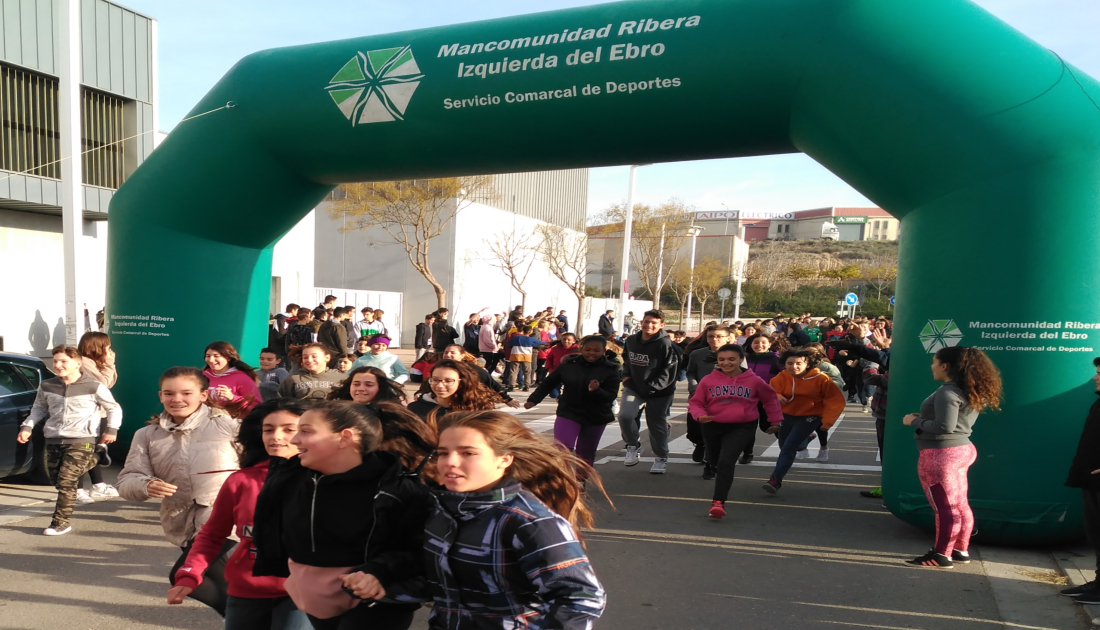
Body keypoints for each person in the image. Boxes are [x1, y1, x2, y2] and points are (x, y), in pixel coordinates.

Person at [410, 410, 605, 628]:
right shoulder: (441, 509)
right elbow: (443, 585)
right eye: (443, 453)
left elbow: (582, 599)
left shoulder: (530, 522)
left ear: (504, 460)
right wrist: (383, 586)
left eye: (468, 453)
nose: (450, 462)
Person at [252, 401, 431, 630]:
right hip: (313, 600)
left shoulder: (396, 490)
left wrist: (380, 572)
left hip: (375, 602)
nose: (294, 440)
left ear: (345, 438)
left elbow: (423, 550)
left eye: (306, 431)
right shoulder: (289, 477)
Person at [167, 399, 312, 630]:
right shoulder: (240, 481)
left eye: (289, 429)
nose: (276, 437)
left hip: (305, 594)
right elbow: (212, 535)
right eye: (268, 429)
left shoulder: (327, 482)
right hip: (244, 593)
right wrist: (189, 574)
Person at [118, 366, 239, 614]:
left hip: (225, 521)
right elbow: (127, 479)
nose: (177, 399)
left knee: (184, 576)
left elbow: (259, 466)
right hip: (181, 522)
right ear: (160, 396)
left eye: (186, 393)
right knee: (227, 587)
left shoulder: (229, 427)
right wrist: (146, 485)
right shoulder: (147, 435)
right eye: (169, 393)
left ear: (203, 395)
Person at [903, 346, 1002, 568]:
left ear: (945, 366)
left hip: (940, 455)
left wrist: (913, 421)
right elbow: (952, 421)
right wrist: (924, 418)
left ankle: (940, 554)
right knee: (959, 503)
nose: (932, 366)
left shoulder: (947, 392)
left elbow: (944, 427)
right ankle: (960, 549)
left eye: (934, 362)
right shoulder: (968, 389)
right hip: (961, 450)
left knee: (945, 507)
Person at [17, 345, 121, 536]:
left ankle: (60, 523)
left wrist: (112, 429)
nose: (58, 365)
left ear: (78, 363)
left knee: (67, 482)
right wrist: (27, 426)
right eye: (55, 361)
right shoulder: (47, 386)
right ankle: (98, 455)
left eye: (64, 361)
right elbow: (39, 408)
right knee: (56, 480)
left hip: (82, 439)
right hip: (53, 439)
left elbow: (113, 408)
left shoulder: (94, 386)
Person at [689, 344, 784, 519]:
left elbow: (770, 399)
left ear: (741, 359)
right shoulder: (708, 380)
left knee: (726, 462)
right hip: (712, 425)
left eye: (731, 359)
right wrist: (699, 415)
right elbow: (695, 402)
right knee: (714, 460)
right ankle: (718, 470)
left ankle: (718, 502)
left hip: (742, 426)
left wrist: (776, 420)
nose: (726, 363)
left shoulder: (754, 380)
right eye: (722, 359)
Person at [524, 335, 621, 471]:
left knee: (586, 452)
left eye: (596, 350)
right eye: (587, 350)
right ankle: (562, 478)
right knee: (562, 447)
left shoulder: (611, 369)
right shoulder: (568, 365)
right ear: (581, 349)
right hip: (569, 411)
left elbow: (611, 396)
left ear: (604, 350)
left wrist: (597, 390)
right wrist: (533, 400)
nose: (591, 353)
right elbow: (548, 383)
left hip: (596, 415)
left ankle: (581, 479)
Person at [763, 349, 846, 495]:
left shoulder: (822, 379)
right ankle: (807, 439)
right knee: (784, 446)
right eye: (790, 363)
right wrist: (778, 395)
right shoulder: (782, 376)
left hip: (810, 416)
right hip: (786, 415)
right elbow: (771, 390)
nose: (793, 367)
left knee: (788, 447)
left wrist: (827, 422)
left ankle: (775, 480)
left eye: (798, 363)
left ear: (807, 364)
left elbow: (834, 401)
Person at [618, 310, 679, 474]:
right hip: (634, 387)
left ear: (661, 325)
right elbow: (626, 360)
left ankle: (661, 456)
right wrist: (626, 376)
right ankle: (633, 445)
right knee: (625, 416)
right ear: (641, 322)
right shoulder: (631, 340)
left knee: (655, 425)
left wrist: (652, 387)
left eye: (654, 323)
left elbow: (669, 371)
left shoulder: (665, 344)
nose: (649, 325)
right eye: (646, 321)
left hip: (660, 391)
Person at [1063, 357, 1100, 602]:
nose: (1095, 377)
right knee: (1095, 532)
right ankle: (1098, 582)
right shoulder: (1098, 403)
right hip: (1091, 479)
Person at [75, 331, 120, 503]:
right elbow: (104, 385)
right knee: (84, 450)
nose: (110, 350)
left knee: (92, 450)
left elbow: (109, 382)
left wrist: (108, 365)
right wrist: (109, 364)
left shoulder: (93, 363)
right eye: (107, 346)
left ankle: (98, 485)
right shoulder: (84, 363)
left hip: (96, 414)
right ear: (97, 347)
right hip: (85, 416)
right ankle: (77, 489)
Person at [685, 326, 732, 476]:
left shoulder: (736, 355)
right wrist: (694, 387)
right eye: (711, 336)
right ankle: (700, 444)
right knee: (694, 428)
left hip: (723, 399)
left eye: (719, 336)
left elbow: (742, 374)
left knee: (714, 433)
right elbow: (691, 373)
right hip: (699, 397)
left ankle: (710, 465)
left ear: (728, 338)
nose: (714, 339)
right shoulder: (697, 354)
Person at [407, 360, 501, 424]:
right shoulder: (415, 409)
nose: (440, 385)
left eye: (448, 381)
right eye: (435, 380)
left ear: (462, 382)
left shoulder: (478, 408)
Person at [740, 333, 782, 465]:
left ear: (770, 344)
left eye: (763, 342)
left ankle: (791, 447)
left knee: (769, 426)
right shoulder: (744, 359)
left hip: (768, 399)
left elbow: (785, 377)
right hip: (748, 399)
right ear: (751, 344)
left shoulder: (776, 360)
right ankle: (747, 453)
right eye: (756, 342)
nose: (759, 345)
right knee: (748, 427)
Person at [435, 345, 522, 409]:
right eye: (446, 352)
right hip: (446, 404)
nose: (448, 355)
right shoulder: (439, 368)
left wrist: (507, 399)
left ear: (462, 355)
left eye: (452, 353)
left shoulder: (472, 369)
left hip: (469, 404)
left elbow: (492, 383)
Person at [204, 341, 262, 416]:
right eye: (208, 356)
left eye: (216, 356)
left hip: (234, 421)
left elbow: (257, 407)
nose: (211, 360)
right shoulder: (203, 376)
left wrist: (233, 398)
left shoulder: (242, 378)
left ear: (228, 357)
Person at [279, 343, 346, 400]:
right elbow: (282, 402)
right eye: (305, 357)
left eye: (314, 356)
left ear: (327, 357)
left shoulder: (341, 378)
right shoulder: (293, 379)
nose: (309, 360)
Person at [328, 366, 407, 406]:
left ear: (380, 388)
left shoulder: (390, 415)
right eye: (356, 384)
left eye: (369, 385)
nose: (361, 388)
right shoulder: (336, 411)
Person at [503, 325, 542, 392]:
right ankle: (526, 386)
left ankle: (511, 386)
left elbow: (509, 345)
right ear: (530, 332)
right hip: (527, 356)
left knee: (513, 371)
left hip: (516, 355)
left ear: (523, 331)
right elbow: (541, 343)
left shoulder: (516, 338)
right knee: (527, 372)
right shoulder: (531, 339)